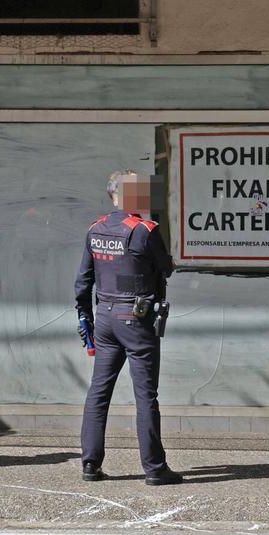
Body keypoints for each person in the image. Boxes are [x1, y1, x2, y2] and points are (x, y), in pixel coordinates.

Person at [76, 170, 180, 486]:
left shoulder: (95, 230)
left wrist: (86, 318)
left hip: (105, 317)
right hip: (136, 318)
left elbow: (83, 281)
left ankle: (90, 465)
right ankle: (154, 468)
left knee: (98, 391)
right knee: (146, 395)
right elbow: (165, 267)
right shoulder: (144, 231)